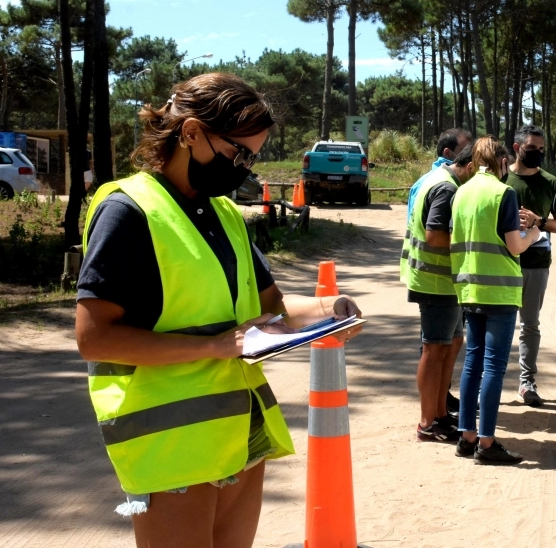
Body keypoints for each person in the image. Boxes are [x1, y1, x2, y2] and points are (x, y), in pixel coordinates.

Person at [75, 72, 362, 548]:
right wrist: (212, 345)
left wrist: (331, 309)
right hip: (172, 444)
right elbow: (95, 338)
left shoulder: (225, 214)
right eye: (240, 152)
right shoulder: (127, 211)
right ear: (190, 133)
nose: (246, 167)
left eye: (254, 155)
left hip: (238, 434)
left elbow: (272, 308)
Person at [450, 136, 540, 464]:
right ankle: (486, 444)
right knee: (493, 366)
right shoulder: (504, 193)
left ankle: (466, 436)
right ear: (502, 162)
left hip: (469, 288)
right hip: (499, 290)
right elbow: (515, 246)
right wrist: (534, 234)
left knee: (472, 362)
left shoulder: (461, 193)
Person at [401, 145, 475, 441]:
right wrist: (469, 242)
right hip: (435, 282)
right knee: (434, 349)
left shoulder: (441, 179)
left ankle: (440, 413)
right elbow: (434, 235)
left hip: (444, 282)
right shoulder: (446, 188)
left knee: (452, 342)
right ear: (470, 167)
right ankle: (427, 422)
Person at [505, 124, 556, 408]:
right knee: (499, 324)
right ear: (517, 148)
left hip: (537, 264)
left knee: (530, 325)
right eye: (532, 149)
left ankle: (527, 383)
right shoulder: (502, 179)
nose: (538, 154)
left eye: (542, 149)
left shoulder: (552, 183)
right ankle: (487, 382)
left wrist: (538, 221)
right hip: (503, 264)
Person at [406, 128, 474, 222]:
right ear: (447, 153)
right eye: (464, 151)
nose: (469, 156)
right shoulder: (444, 185)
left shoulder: (428, 180)